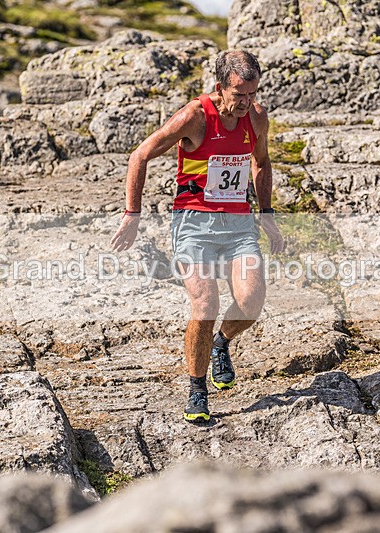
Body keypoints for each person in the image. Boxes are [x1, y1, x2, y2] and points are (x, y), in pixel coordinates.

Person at [111, 50, 284, 423]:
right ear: (220, 86)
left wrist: (267, 215)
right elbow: (140, 155)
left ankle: (221, 342)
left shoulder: (256, 116)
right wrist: (132, 215)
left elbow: (261, 161)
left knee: (252, 302)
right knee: (205, 303)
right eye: (239, 94)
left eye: (253, 93)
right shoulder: (194, 117)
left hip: (238, 225)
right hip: (194, 224)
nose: (247, 103)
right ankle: (197, 390)